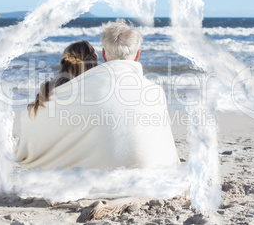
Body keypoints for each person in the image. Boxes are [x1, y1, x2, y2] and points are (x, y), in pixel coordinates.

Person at [15, 19, 179, 170]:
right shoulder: (155, 91)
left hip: (99, 178)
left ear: (104, 54)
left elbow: (35, 118)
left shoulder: (81, 86)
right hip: (152, 176)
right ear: (137, 55)